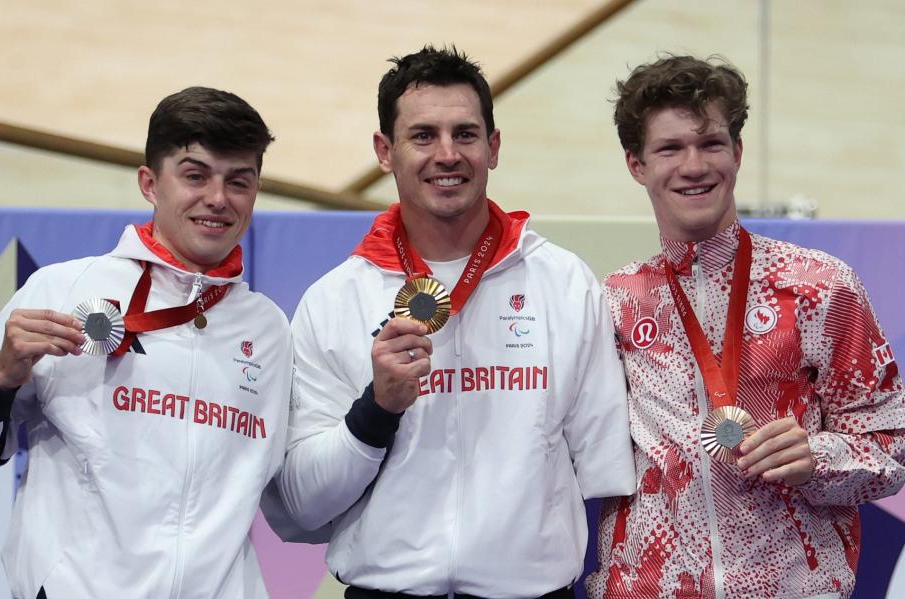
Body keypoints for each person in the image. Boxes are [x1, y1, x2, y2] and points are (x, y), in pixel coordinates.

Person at [277, 45, 635, 599]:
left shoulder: (565, 285)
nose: (447, 154)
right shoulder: (334, 300)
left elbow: (607, 476)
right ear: (384, 150)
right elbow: (303, 502)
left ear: (493, 148)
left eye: (465, 134)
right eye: (423, 136)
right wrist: (377, 409)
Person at [0, 87, 291, 599]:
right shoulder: (63, 290)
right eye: (195, 176)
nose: (219, 199)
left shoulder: (269, 329)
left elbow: (291, 504)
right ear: (150, 183)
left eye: (238, 181)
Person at [587, 55, 905, 599]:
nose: (693, 166)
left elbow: (892, 449)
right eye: (670, 148)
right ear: (636, 164)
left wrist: (820, 458)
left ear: (736, 152)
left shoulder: (819, 287)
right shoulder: (614, 302)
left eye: (710, 143)